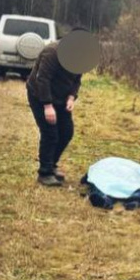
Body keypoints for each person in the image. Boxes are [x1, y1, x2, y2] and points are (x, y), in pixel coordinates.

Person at [26, 30, 98, 186]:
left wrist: (72, 97)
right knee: (50, 133)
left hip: (62, 98)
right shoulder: (51, 52)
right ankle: (45, 173)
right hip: (39, 95)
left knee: (66, 132)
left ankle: (51, 164)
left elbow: (77, 79)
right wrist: (47, 106)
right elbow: (42, 79)